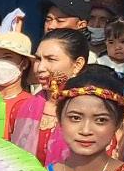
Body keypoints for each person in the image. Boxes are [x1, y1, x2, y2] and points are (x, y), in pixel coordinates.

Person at [28, 27, 91, 164]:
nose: (40, 68)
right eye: (38, 59)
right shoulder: (28, 106)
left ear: (77, 65)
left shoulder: (91, 109)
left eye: (51, 59)